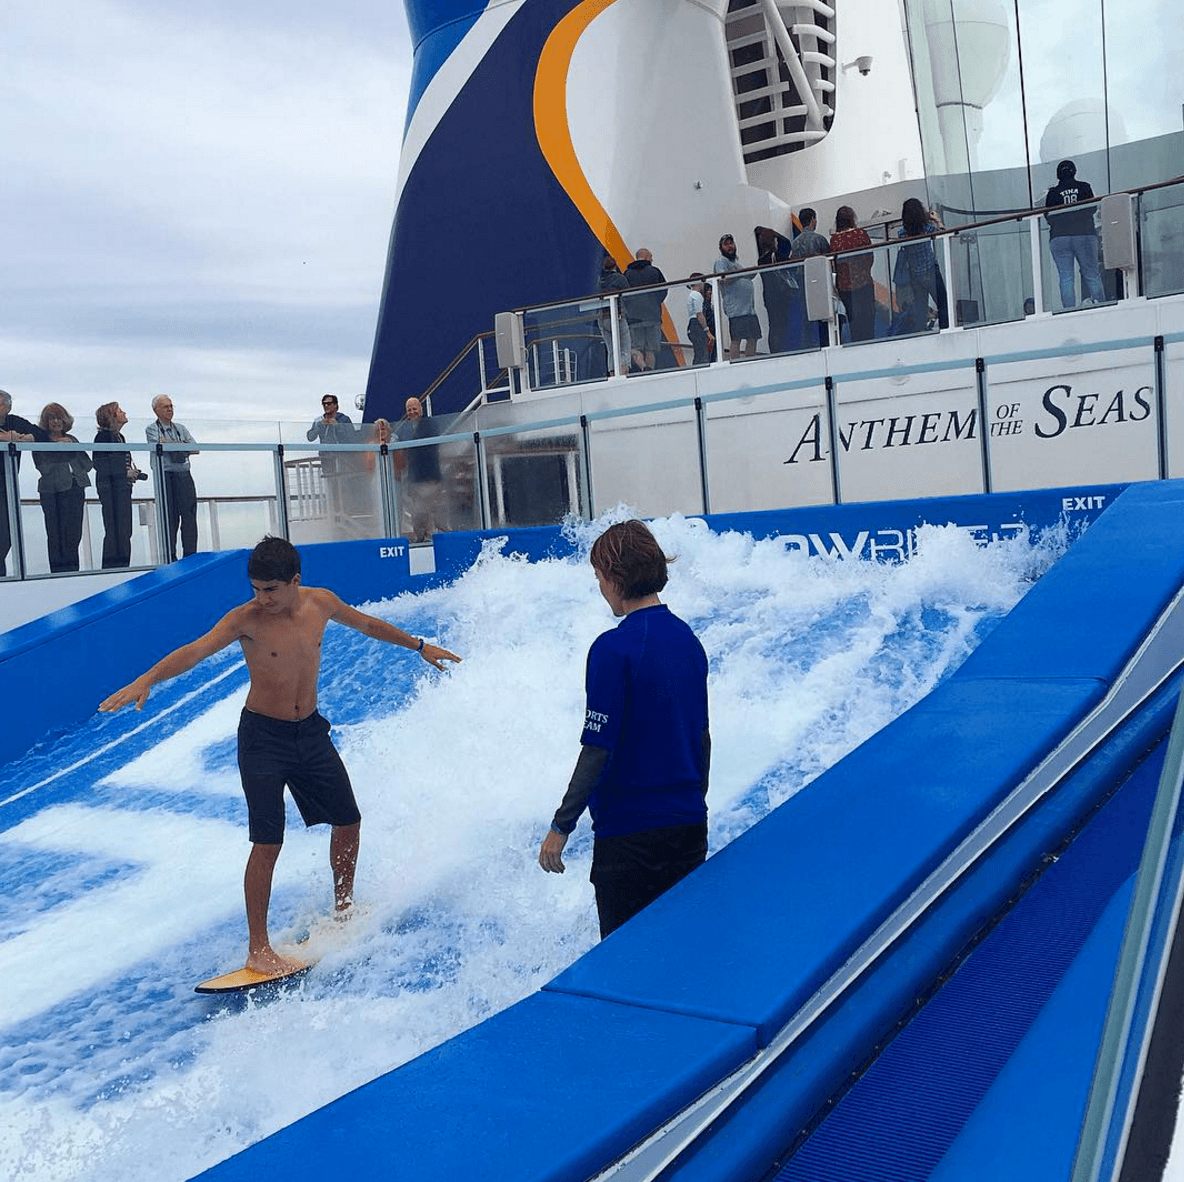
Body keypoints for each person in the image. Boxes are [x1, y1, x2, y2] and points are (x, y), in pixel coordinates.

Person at [98, 535, 462, 975]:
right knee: (268, 841)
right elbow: (195, 651)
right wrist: (149, 678)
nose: (261, 598)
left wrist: (420, 646)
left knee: (348, 819)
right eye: (255, 589)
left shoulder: (321, 603)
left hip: (309, 733)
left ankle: (343, 906)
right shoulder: (245, 619)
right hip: (262, 739)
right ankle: (259, 949)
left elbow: (366, 624)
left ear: (294, 581)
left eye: (270, 589)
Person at [538, 520, 710, 939]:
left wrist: (561, 827)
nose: (600, 588)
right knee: (681, 950)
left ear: (615, 577)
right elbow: (700, 737)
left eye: (598, 577)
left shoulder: (613, 649)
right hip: (689, 828)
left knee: (627, 964)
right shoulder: (688, 640)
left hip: (630, 840)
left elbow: (598, 748)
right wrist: (691, 802)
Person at [34, 403, 92, 574]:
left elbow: (87, 464)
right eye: (52, 418)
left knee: (74, 534)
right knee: (56, 535)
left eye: (60, 418)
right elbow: (44, 468)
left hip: (76, 488)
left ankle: (73, 570)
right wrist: (60, 450)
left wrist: (71, 448)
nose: (57, 422)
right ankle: (58, 573)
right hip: (52, 491)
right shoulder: (42, 441)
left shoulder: (72, 439)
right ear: (46, 421)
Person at [1044, 159, 1106, 309]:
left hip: (1059, 237)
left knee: (1066, 277)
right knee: (1091, 273)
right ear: (1075, 172)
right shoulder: (1084, 187)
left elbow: (1048, 216)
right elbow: (1092, 209)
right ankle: (1101, 305)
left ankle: (1069, 310)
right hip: (1084, 234)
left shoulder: (1053, 193)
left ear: (1058, 175)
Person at [0, 390, 48, 577]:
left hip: (7, 485)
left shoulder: (15, 422)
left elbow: (41, 435)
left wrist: (25, 438)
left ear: (7, 407)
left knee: (7, 535)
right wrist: (4, 437)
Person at [146, 395, 200, 560]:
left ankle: (190, 556)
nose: (170, 409)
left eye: (171, 406)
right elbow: (160, 447)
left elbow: (195, 448)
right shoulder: (151, 429)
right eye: (165, 407)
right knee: (170, 517)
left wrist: (171, 444)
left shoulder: (181, 428)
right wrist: (181, 445)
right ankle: (170, 557)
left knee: (189, 516)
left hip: (183, 474)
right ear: (156, 410)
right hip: (166, 475)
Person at [94, 402, 145, 569]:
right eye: (120, 411)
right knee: (115, 529)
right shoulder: (103, 437)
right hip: (110, 489)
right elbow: (100, 464)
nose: (124, 413)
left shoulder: (119, 437)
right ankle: (112, 567)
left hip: (121, 488)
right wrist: (125, 473)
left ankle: (122, 565)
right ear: (112, 417)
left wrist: (129, 473)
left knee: (124, 530)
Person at [893, 198, 946, 335]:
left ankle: (921, 332)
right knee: (942, 302)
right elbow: (942, 231)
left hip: (915, 275)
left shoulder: (902, 233)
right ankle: (946, 328)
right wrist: (936, 219)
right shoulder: (927, 228)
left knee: (920, 306)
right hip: (930, 271)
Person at [398, 397, 445, 542]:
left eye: (415, 409)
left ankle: (433, 537)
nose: (412, 412)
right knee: (417, 510)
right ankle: (422, 538)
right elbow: (399, 441)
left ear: (421, 409)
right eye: (409, 410)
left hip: (429, 475)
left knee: (427, 509)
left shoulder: (430, 424)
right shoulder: (405, 427)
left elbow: (420, 442)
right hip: (413, 476)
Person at [306, 394, 358, 521]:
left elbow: (351, 437)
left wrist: (337, 426)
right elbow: (310, 437)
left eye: (329, 403)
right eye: (324, 404)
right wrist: (319, 427)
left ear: (335, 405)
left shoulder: (344, 419)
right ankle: (335, 516)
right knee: (331, 488)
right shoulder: (318, 420)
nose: (326, 406)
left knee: (344, 487)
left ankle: (347, 515)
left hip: (343, 460)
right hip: (327, 461)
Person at [830, 205, 876, 343]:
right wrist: (864, 272)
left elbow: (834, 265)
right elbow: (870, 257)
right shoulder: (861, 234)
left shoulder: (834, 240)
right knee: (868, 321)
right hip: (864, 284)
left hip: (845, 287)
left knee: (854, 322)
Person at [787, 208, 831, 350]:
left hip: (801, 283)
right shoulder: (820, 239)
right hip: (818, 282)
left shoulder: (794, 243)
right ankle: (825, 345)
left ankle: (808, 348)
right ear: (812, 219)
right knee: (823, 315)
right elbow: (829, 262)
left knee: (805, 317)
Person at [713, 233, 761, 359]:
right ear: (721, 248)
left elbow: (742, 276)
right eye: (726, 244)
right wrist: (739, 273)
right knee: (737, 339)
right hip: (736, 310)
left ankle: (749, 361)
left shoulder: (736, 263)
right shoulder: (721, 262)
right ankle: (735, 363)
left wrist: (751, 272)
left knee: (753, 337)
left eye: (731, 243)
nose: (730, 246)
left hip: (749, 309)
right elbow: (722, 278)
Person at [624, 248, 668, 372]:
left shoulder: (627, 274)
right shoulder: (654, 272)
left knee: (635, 347)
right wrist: (654, 302)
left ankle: (643, 367)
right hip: (652, 315)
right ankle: (650, 370)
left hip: (633, 317)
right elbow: (663, 290)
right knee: (651, 348)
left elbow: (623, 295)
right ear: (648, 257)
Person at [755, 225, 793, 354]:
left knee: (774, 325)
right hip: (781, 294)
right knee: (784, 324)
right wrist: (776, 234)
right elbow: (787, 243)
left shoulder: (761, 259)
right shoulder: (775, 256)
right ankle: (784, 349)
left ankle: (775, 351)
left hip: (769, 295)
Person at [597, 255, 632, 376]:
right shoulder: (620, 279)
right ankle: (622, 372)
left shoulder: (599, 281)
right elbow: (628, 295)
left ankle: (612, 374)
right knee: (624, 347)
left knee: (611, 349)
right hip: (618, 316)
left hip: (602, 318)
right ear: (615, 266)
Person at [685, 274, 715, 366]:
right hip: (696, 324)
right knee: (702, 353)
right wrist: (707, 331)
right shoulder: (697, 295)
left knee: (699, 352)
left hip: (692, 324)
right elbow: (699, 314)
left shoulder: (692, 295)